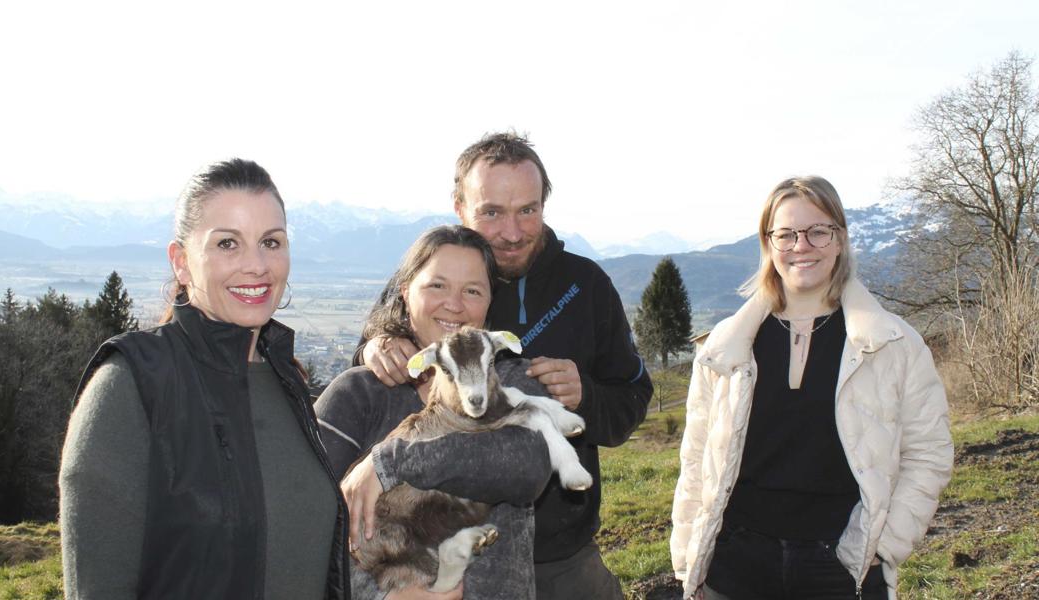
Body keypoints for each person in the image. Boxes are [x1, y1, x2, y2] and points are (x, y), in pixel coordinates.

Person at [359, 132, 651, 599]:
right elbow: (376, 373)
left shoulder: (587, 286)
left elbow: (632, 399)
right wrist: (377, 341)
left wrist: (586, 397)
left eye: (527, 211)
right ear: (459, 208)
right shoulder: (435, 277)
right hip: (433, 549)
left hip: (560, 559)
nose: (512, 233)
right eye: (491, 212)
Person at [59, 159, 348, 600]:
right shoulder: (131, 384)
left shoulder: (287, 381)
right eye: (228, 243)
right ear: (181, 261)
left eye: (271, 242)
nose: (256, 265)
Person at [670, 176, 954, 599]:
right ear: (768, 244)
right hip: (736, 564)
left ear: (840, 240)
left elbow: (929, 452)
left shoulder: (891, 343)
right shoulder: (727, 348)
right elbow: (695, 460)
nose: (801, 246)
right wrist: (689, 557)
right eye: (785, 234)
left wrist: (886, 544)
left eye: (818, 231)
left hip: (841, 565)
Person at [315, 225, 554, 600]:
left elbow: (528, 467)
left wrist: (388, 462)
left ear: (490, 301)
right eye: (437, 286)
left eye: (472, 290)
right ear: (406, 290)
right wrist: (383, 597)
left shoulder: (516, 383)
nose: (454, 305)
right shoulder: (357, 393)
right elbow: (308, 523)